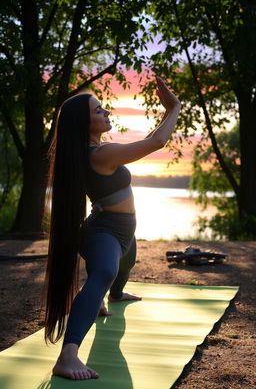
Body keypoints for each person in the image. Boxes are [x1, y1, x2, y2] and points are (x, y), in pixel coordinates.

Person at [41, 76, 181, 381]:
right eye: (99, 111)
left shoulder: (96, 151)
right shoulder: (100, 155)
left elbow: (152, 138)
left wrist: (167, 114)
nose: (107, 114)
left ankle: (114, 296)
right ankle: (68, 356)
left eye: (105, 109)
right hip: (104, 231)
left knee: (124, 266)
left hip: (124, 231)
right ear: (84, 123)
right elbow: (157, 142)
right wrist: (175, 108)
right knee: (104, 272)